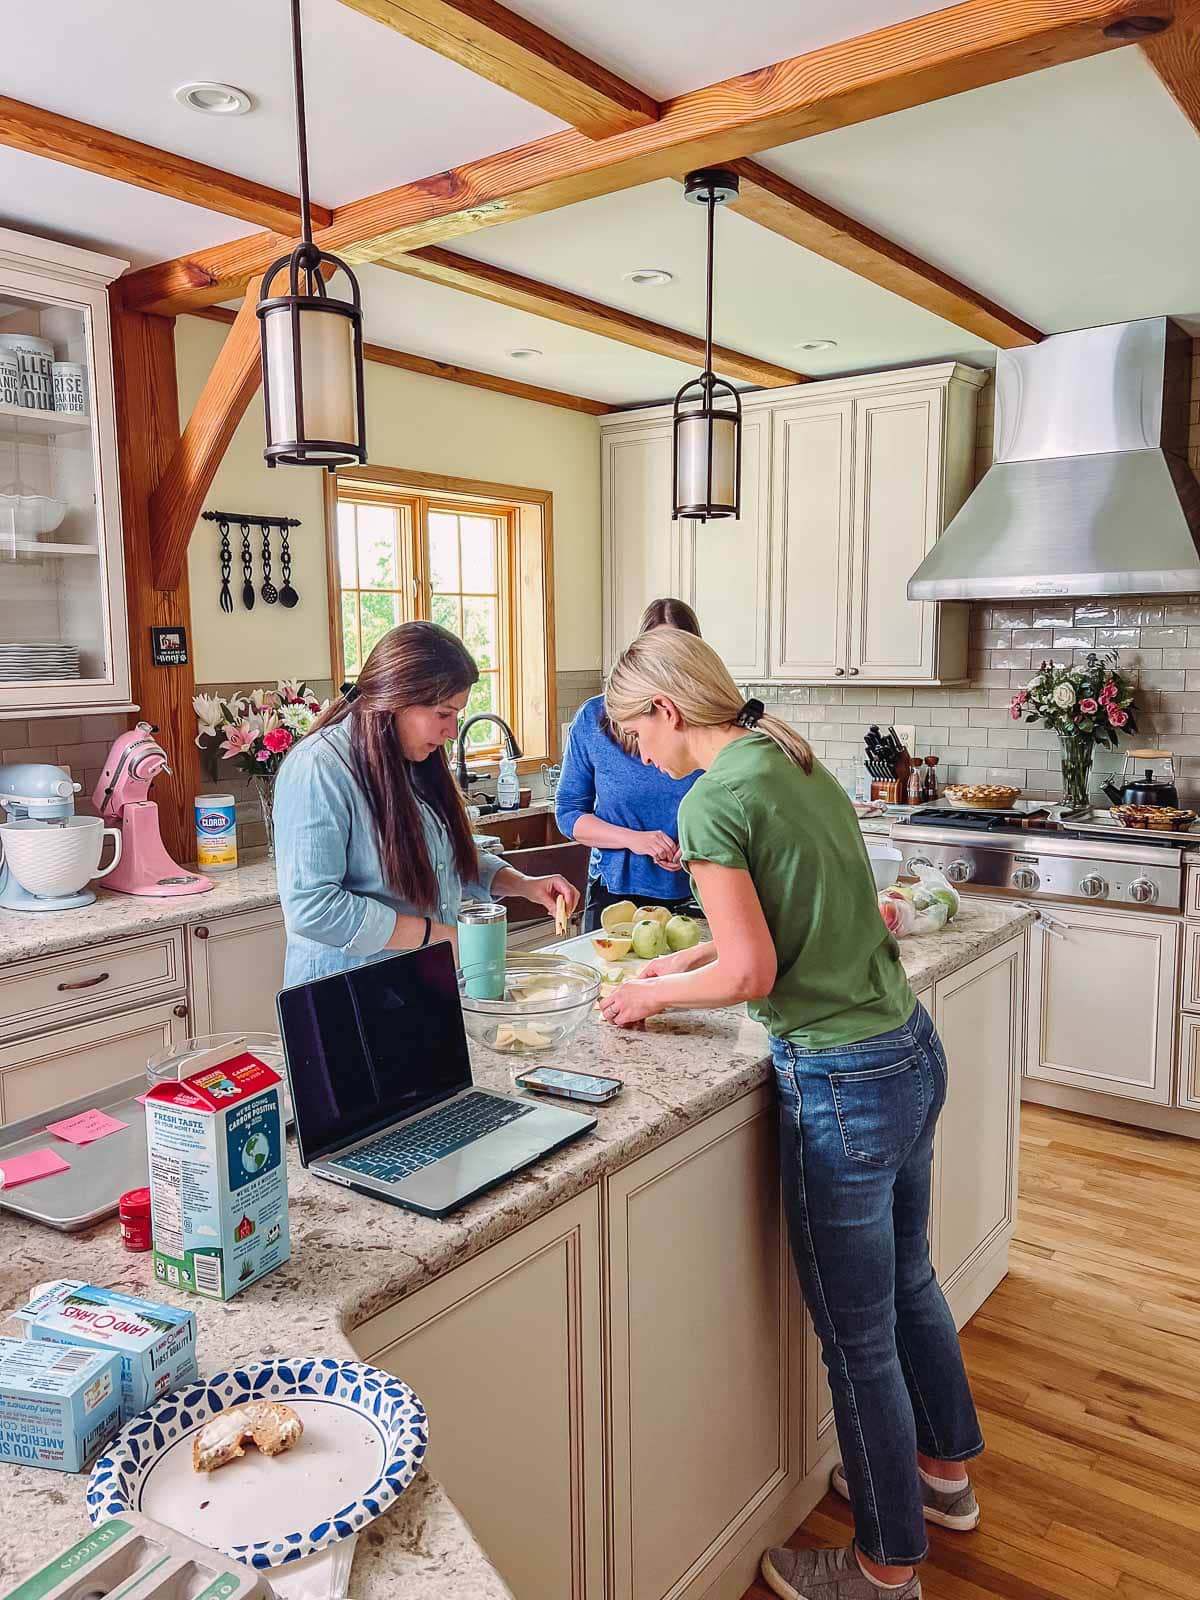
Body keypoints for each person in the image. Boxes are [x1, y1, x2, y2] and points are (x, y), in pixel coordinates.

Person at [598, 628, 982, 1600]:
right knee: (910, 1280)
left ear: (668, 712)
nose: (636, 750)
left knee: (856, 1337)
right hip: (905, 1045)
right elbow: (806, 915)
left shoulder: (716, 797)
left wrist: (650, 997)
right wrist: (677, 960)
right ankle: (943, 1474)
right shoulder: (788, 757)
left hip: (841, 1079)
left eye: (634, 729)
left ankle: (885, 1567)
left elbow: (755, 970)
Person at [274, 621, 578, 987]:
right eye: (443, 714)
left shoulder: (413, 760)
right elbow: (313, 908)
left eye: (457, 716)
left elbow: (442, 858)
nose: (452, 731)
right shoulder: (319, 767)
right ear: (397, 700)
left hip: (415, 986)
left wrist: (525, 885)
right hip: (345, 995)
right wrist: (438, 936)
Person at [556, 597, 703, 933]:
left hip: (698, 892)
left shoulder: (707, 725)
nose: (665, 665)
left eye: (677, 653)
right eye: (656, 652)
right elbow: (568, 815)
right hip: (615, 896)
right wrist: (634, 839)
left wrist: (695, 848)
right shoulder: (594, 719)